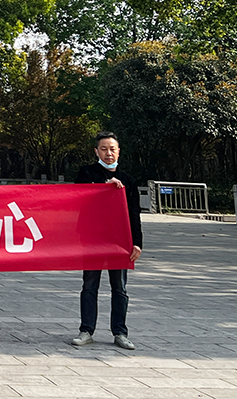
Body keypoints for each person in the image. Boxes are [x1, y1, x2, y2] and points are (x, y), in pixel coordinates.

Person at [71, 131, 143, 350]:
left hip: (119, 242)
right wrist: (104, 185)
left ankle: (120, 332)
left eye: (112, 149)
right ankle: (86, 330)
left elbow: (134, 214)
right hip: (92, 240)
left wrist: (137, 243)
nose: (108, 153)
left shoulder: (128, 180)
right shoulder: (86, 174)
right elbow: (77, 198)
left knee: (119, 288)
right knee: (90, 285)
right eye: (104, 149)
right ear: (96, 151)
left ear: (119, 151)